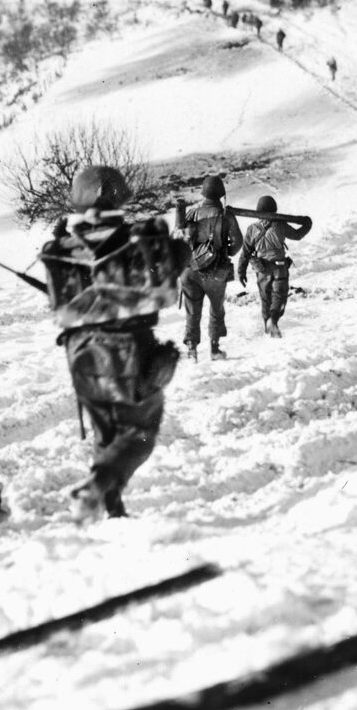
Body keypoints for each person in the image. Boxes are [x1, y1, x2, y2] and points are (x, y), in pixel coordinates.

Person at [40, 166, 187, 521]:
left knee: (106, 432)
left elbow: (58, 304)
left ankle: (111, 506)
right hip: (129, 347)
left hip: (79, 353)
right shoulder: (138, 239)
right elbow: (170, 282)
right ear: (117, 194)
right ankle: (95, 485)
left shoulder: (60, 246)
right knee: (138, 433)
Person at [176, 174, 244, 361]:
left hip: (190, 270)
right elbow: (238, 242)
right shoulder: (225, 215)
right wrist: (226, 252)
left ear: (203, 192)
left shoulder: (191, 213)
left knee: (192, 311)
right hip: (215, 272)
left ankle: (192, 349)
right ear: (221, 194)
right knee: (216, 309)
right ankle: (214, 350)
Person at [237, 195, 312, 338]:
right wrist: (307, 224)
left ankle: (268, 328)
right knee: (279, 298)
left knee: (265, 300)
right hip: (279, 268)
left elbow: (245, 253)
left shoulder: (252, 229)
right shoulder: (280, 225)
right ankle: (274, 321)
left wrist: (241, 272)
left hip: (262, 270)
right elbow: (297, 234)